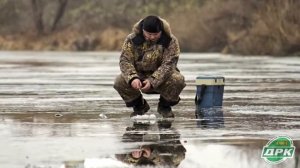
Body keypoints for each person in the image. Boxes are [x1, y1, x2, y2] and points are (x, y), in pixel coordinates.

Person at [113, 15, 186, 118]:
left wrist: (152, 81)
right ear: (143, 30)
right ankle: (139, 106)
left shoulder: (170, 41)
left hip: (162, 78)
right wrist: (133, 78)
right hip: (139, 77)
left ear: (161, 32)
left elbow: (169, 65)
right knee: (119, 81)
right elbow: (125, 61)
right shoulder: (132, 39)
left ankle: (164, 106)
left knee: (178, 80)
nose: (152, 37)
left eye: (155, 34)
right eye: (149, 34)